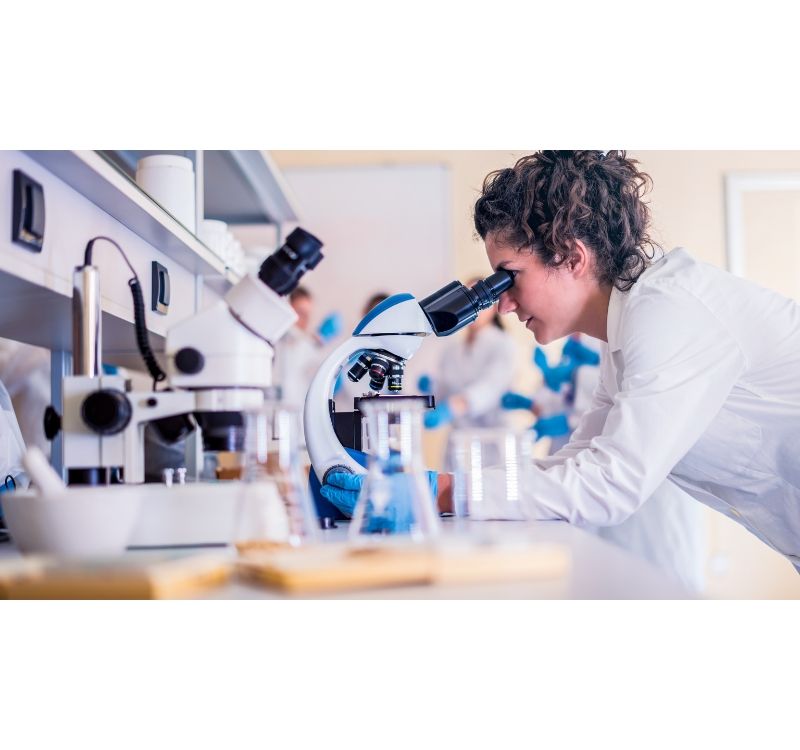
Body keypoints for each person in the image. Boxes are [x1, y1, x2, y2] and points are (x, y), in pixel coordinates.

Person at [462, 149, 800, 574]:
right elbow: (581, 456)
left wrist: (447, 492)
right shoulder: (626, 326)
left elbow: (611, 482)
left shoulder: (670, 309)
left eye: (509, 277)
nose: (504, 305)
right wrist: (443, 487)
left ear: (571, 255)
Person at [503, 333, 707, 590]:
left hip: (648, 488)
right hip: (596, 483)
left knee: (654, 579)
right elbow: (575, 401)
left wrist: (576, 382)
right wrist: (539, 401)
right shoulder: (576, 343)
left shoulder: (635, 327)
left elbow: (631, 400)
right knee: (604, 575)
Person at [420, 278, 517, 430]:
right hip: (459, 437)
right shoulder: (452, 350)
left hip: (492, 437)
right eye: (466, 299)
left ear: (493, 307)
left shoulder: (502, 343)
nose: (473, 305)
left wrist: (452, 408)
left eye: (479, 299)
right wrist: (431, 388)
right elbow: (444, 391)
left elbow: (490, 387)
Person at [272, 286, 342, 442]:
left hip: (300, 433)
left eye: (308, 315)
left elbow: (328, 378)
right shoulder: (273, 341)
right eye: (300, 313)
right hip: (272, 429)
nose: (304, 321)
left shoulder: (309, 348)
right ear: (287, 308)